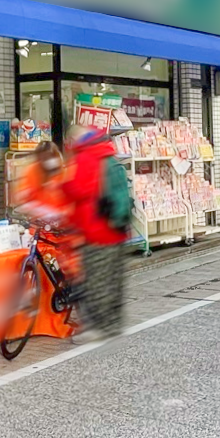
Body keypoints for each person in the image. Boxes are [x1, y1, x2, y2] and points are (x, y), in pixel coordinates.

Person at [63, 125, 132, 337]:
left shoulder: (85, 157)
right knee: (114, 279)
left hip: (97, 230)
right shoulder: (108, 154)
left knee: (96, 280)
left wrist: (61, 185)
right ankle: (114, 323)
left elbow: (77, 190)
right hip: (117, 227)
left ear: (74, 141)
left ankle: (100, 327)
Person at [12, 141, 71, 224]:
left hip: (61, 223)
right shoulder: (33, 169)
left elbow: (72, 199)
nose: (45, 160)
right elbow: (20, 195)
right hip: (39, 223)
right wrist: (25, 194)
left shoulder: (65, 171)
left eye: (49, 157)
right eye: (42, 158)